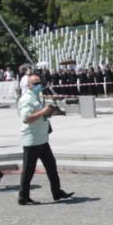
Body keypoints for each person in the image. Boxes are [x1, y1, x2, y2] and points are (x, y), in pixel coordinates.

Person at [15, 70, 73, 206]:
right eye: (35, 84)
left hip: (42, 139)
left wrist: (48, 113)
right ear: (29, 85)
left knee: (52, 167)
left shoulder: (36, 97)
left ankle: (57, 192)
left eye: (40, 83)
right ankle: (23, 196)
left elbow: (39, 116)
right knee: (28, 170)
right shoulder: (26, 99)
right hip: (32, 140)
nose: (39, 85)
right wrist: (43, 111)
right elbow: (26, 119)